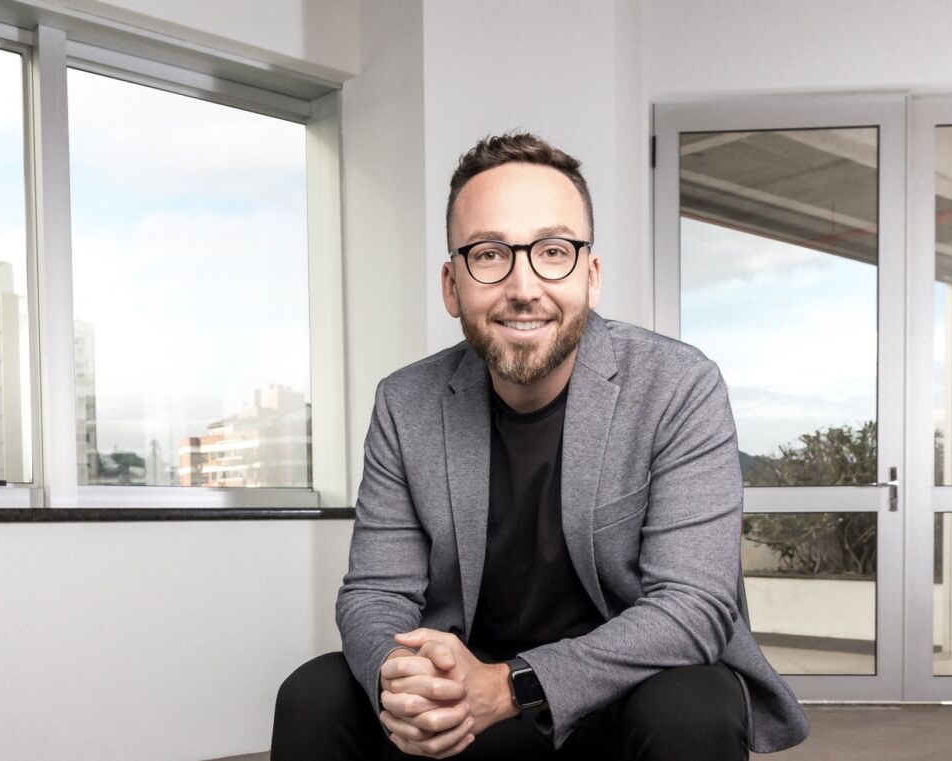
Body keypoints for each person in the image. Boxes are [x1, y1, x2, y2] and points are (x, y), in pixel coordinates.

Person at [273, 133, 809, 760]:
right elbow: (376, 592)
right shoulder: (406, 401)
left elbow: (694, 606)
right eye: (489, 254)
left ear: (591, 276)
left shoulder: (678, 385)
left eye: (553, 251)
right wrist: (402, 677)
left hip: (625, 689)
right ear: (452, 285)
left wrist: (512, 684)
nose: (524, 287)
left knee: (693, 707)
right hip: (467, 684)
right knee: (314, 694)